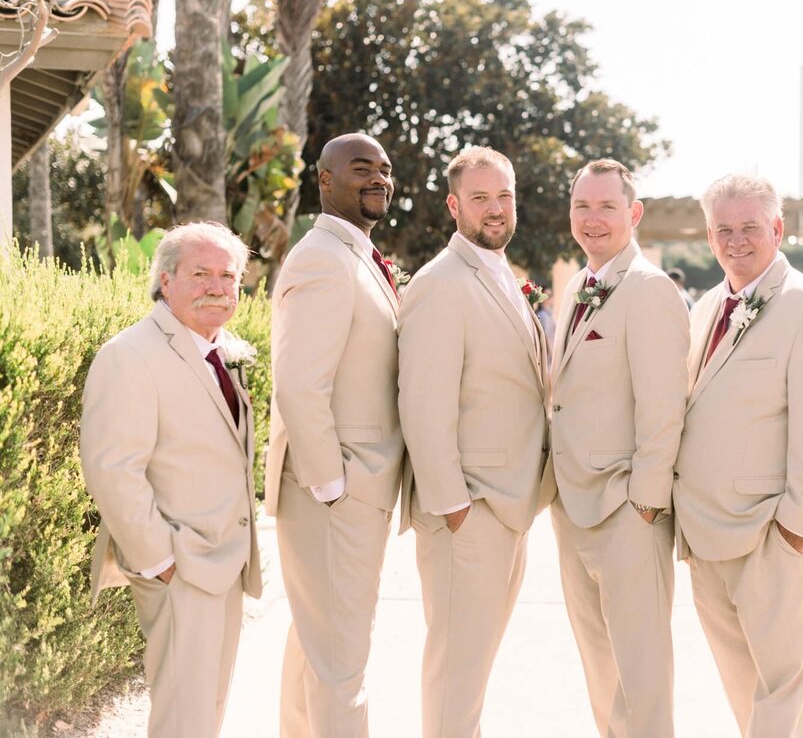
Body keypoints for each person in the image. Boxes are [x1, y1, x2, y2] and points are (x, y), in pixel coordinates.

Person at [673, 173, 803, 737]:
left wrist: (795, 533)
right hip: (706, 538)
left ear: (777, 229)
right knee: (745, 697)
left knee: (785, 699)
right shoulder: (707, 306)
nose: (736, 240)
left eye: (749, 227)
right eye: (723, 229)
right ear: (709, 236)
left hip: (773, 539)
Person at [81, 222, 261, 738]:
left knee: (205, 713)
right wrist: (161, 561)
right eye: (200, 273)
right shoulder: (130, 355)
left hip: (224, 564)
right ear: (165, 280)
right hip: (180, 567)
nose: (217, 287)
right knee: (182, 719)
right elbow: (112, 468)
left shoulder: (218, 350)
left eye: (228, 276)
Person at [396, 146, 550, 738]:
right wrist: (454, 506)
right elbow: (422, 402)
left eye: (504, 195)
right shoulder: (441, 282)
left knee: (474, 667)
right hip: (470, 510)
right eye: (480, 198)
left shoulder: (500, 275)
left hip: (508, 506)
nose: (495, 208)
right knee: (457, 670)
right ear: (454, 205)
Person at [265, 134, 404, 737]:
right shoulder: (324, 256)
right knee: (342, 665)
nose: (378, 177)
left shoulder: (357, 255)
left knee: (316, 653)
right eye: (361, 168)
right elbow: (298, 384)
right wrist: (331, 486)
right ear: (324, 180)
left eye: (385, 169)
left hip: (348, 492)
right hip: (334, 495)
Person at [548, 159, 689, 737]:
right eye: (582, 206)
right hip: (573, 507)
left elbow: (664, 406)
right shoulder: (579, 285)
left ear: (634, 214)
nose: (593, 219)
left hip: (628, 509)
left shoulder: (651, 289)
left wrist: (645, 504)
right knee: (601, 669)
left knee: (641, 674)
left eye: (607, 207)